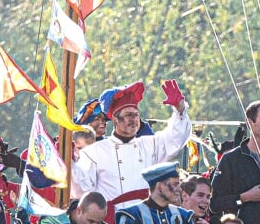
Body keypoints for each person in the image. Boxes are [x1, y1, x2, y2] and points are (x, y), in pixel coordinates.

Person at [72, 79, 191, 210]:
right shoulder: (94, 152)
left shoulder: (149, 145)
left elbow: (175, 139)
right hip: (112, 221)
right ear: (116, 120)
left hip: (145, 218)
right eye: (128, 115)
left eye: (136, 115)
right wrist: (70, 162)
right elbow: (81, 188)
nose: (134, 119)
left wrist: (180, 109)